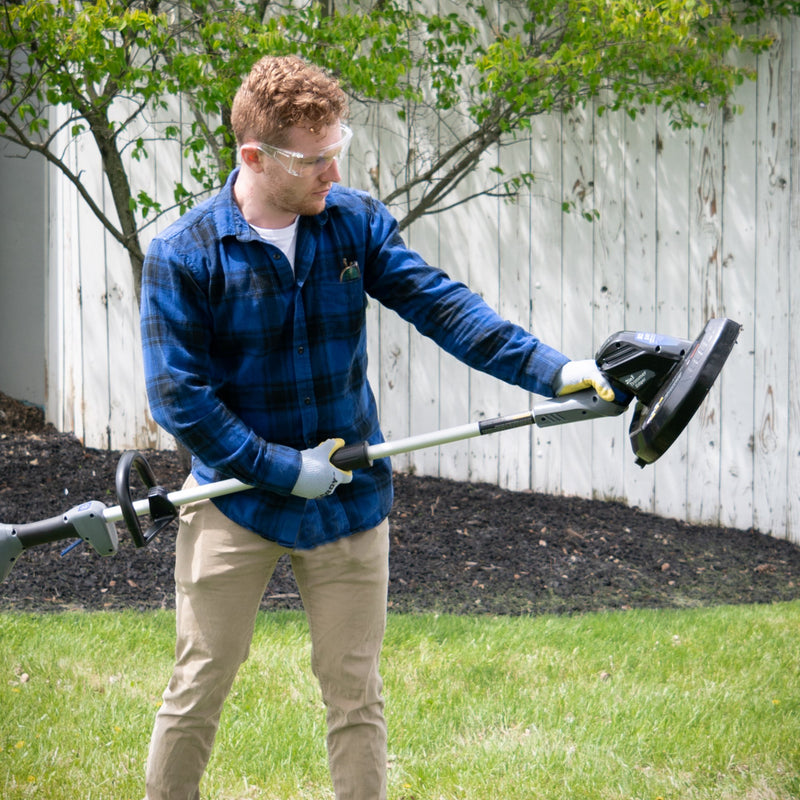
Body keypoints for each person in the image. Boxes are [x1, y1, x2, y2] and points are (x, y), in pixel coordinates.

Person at [139, 54, 613, 800]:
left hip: (348, 502)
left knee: (355, 696)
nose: (334, 172)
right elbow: (180, 400)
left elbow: (443, 307)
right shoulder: (185, 254)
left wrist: (553, 370)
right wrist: (282, 468)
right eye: (316, 159)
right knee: (198, 688)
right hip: (236, 501)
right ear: (254, 157)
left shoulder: (352, 223)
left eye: (340, 150)